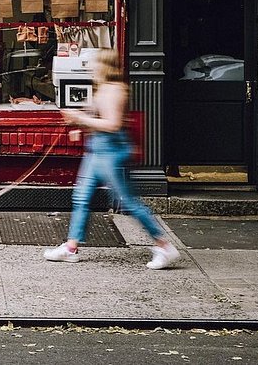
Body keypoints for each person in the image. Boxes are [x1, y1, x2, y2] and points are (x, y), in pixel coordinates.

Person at [44, 48, 181, 270]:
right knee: (81, 198)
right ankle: (71, 247)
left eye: (94, 63)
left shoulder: (116, 90)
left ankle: (164, 245)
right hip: (96, 151)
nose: (90, 67)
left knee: (128, 202)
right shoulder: (103, 88)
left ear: (104, 65)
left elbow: (112, 124)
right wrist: (80, 120)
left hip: (111, 153)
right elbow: (97, 118)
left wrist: (83, 120)